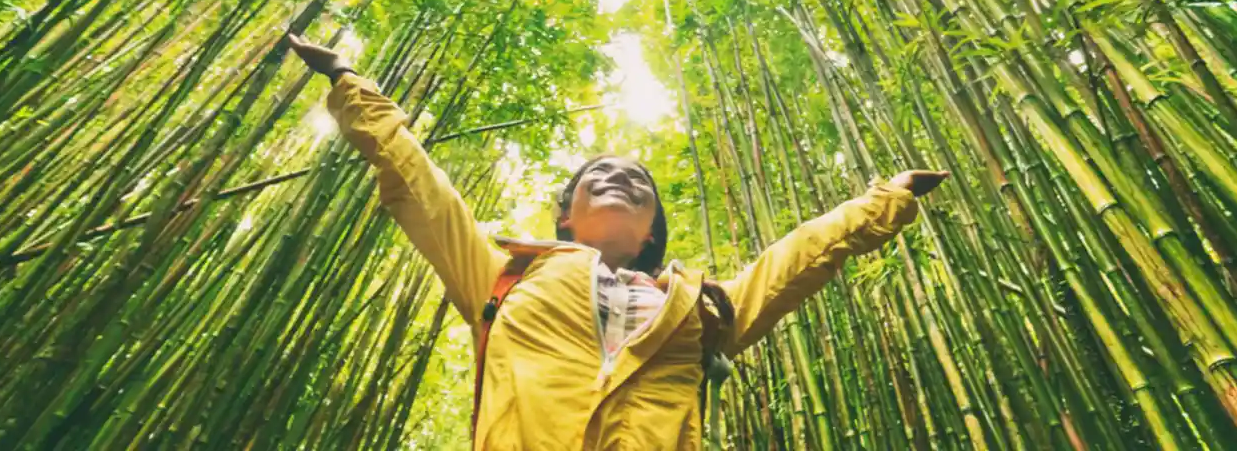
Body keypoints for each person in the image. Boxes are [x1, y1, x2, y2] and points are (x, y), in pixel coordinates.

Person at [287, 32, 949, 450]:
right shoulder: (499, 275)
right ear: (565, 216)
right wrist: (349, 81)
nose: (618, 176)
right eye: (596, 174)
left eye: (637, 179)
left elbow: (798, 256)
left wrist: (887, 199)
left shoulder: (705, 309)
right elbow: (417, 183)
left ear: (653, 227)